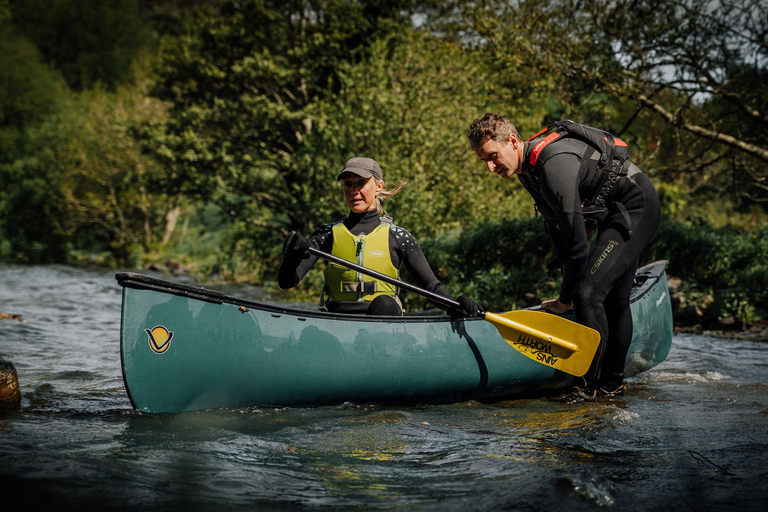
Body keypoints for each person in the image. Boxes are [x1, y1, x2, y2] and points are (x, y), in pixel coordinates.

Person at [466, 114, 661, 402]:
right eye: (483, 160)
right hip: (614, 212)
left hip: (636, 208)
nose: (490, 167)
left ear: (512, 141)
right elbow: (558, 229)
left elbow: (577, 245)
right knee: (610, 299)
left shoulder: (551, 165)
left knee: (587, 294)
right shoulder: (528, 170)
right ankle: (611, 388)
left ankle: (586, 388)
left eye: (492, 156)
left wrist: (565, 297)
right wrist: (566, 291)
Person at [279, 157, 478, 316]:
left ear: (379, 186)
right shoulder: (326, 234)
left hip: (383, 324)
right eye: (348, 184)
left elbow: (432, 288)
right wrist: (291, 257)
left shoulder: (399, 237)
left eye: (361, 183)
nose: (354, 191)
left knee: (383, 303)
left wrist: (455, 305)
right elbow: (286, 282)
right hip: (338, 322)